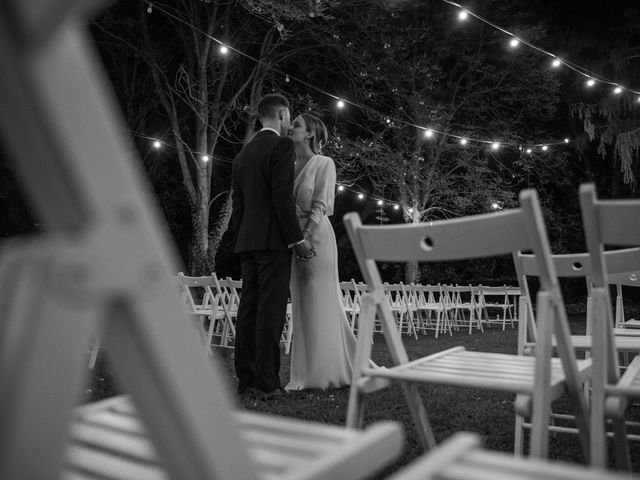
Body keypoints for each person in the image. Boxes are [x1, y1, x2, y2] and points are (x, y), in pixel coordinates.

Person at [231, 94, 314, 399]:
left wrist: (239, 241)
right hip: (273, 243)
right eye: (288, 116)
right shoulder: (281, 147)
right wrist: (297, 240)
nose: (289, 123)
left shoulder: (243, 155)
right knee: (271, 311)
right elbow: (282, 197)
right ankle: (267, 381)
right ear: (281, 113)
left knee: (248, 310)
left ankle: (246, 379)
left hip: (248, 242)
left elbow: (237, 205)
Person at [285, 113, 359, 391]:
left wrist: (304, 236)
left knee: (319, 299)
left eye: (297, 125)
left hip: (316, 236)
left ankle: (325, 372)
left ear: (311, 134)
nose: (291, 127)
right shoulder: (289, 165)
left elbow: (322, 204)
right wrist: (294, 238)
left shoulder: (324, 163)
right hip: (294, 239)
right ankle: (304, 372)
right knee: (302, 302)